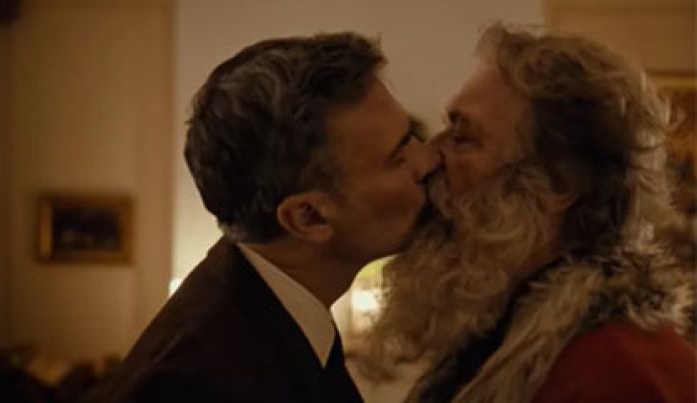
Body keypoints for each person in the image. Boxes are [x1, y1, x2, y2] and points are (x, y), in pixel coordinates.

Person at [88, 32, 437, 402]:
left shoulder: (269, 314)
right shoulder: (202, 385)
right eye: (399, 155)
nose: (429, 160)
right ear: (309, 217)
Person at [364, 23, 696, 403]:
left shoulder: (622, 372)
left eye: (462, 138)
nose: (428, 159)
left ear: (557, 184)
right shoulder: (505, 336)